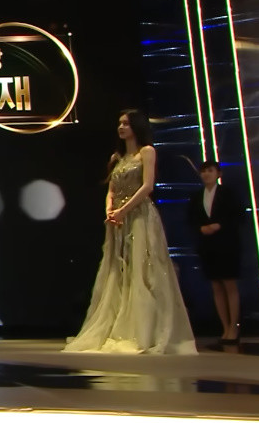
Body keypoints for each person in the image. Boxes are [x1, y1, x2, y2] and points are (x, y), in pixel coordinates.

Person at [63, 110, 196, 355]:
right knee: (118, 269)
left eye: (126, 123)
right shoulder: (118, 157)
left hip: (140, 216)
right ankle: (119, 325)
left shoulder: (146, 152)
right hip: (118, 220)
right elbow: (111, 190)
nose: (121, 127)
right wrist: (110, 210)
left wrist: (124, 210)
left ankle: (145, 330)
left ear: (136, 126)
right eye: (119, 123)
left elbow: (147, 186)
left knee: (143, 269)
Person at [186, 161, 245, 344]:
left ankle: (233, 326)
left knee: (229, 284)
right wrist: (201, 228)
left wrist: (220, 225)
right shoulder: (197, 196)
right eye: (203, 171)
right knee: (216, 286)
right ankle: (225, 327)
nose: (206, 174)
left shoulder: (228, 193)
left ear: (218, 173)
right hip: (207, 246)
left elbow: (239, 216)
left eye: (210, 170)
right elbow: (191, 219)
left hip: (227, 245)